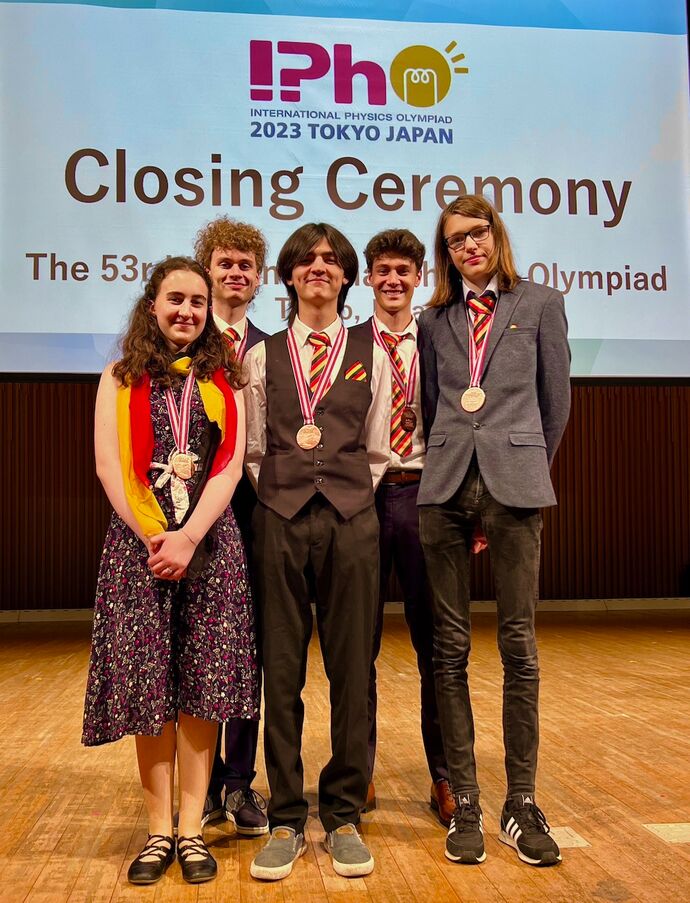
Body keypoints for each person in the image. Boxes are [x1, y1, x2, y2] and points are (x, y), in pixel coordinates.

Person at [82, 257, 259, 885]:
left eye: (197, 301)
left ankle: (192, 829)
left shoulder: (226, 379)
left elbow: (228, 467)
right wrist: (157, 537)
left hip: (209, 546)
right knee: (149, 692)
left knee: (202, 692)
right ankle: (158, 832)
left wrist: (187, 536)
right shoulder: (118, 377)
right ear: (152, 305)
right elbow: (109, 467)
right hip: (137, 551)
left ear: (209, 310)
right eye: (174, 299)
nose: (186, 310)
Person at [417, 196, 571, 867]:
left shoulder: (540, 303)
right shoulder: (434, 318)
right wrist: (467, 474)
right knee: (448, 651)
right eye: (454, 241)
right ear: (446, 253)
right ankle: (470, 803)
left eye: (477, 233)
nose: (468, 246)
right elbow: (431, 405)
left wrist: (519, 471)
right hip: (445, 489)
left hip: (515, 483)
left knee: (520, 646)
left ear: (496, 235)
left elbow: (554, 402)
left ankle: (521, 801)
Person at [244, 223, 391, 881]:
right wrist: (282, 492)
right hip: (278, 518)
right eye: (307, 258)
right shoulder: (261, 356)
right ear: (290, 274)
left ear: (345, 275)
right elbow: (251, 449)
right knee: (281, 667)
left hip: (353, 522)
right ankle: (283, 815)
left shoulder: (373, 353)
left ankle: (342, 815)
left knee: (353, 669)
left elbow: (381, 447)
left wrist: (345, 492)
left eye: (331, 259)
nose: (319, 267)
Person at [360, 229, 452, 826]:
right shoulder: (342, 345)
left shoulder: (443, 342)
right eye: (383, 270)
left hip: (427, 494)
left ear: (420, 276)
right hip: (362, 500)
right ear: (368, 277)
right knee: (355, 648)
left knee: (438, 648)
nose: (393, 280)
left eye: (404, 270)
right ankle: (358, 773)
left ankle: (444, 776)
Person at [193, 217, 270, 835]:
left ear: (259, 277)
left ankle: (240, 782)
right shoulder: (182, 343)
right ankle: (203, 781)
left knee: (250, 654)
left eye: (247, 265)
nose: (236, 273)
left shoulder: (274, 347)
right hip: (197, 520)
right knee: (200, 647)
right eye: (226, 264)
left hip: (262, 516)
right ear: (208, 270)